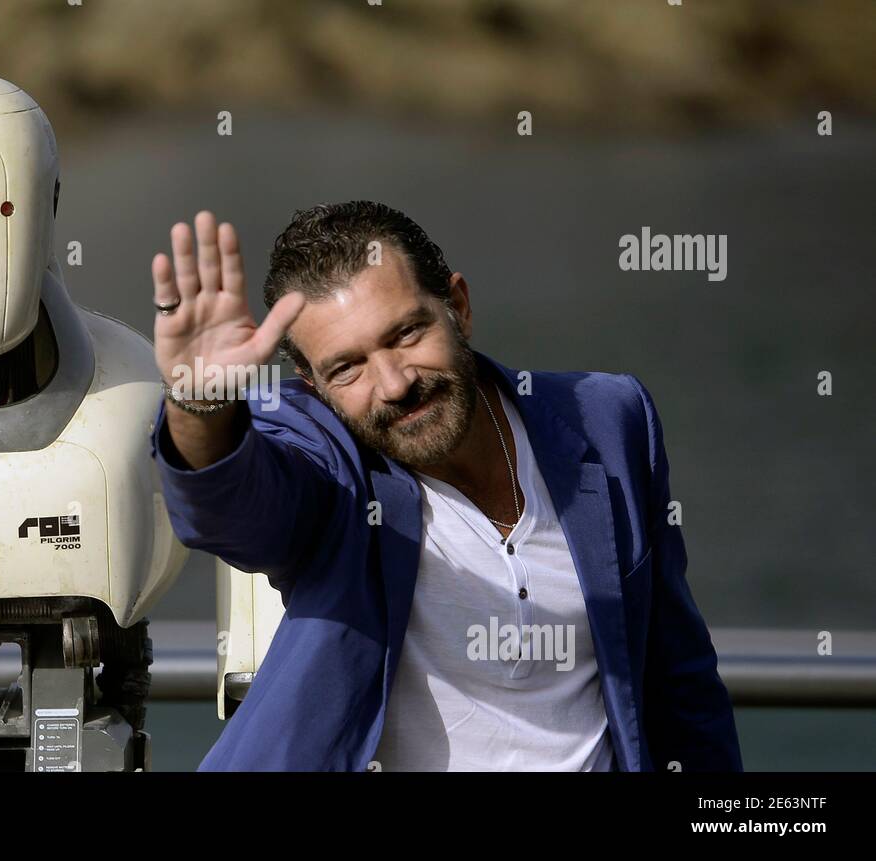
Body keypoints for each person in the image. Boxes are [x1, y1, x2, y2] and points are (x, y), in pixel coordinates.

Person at [147, 201, 742, 771]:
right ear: (312, 384)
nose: (394, 384)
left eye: (406, 334)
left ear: (458, 305)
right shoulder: (328, 461)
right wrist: (201, 403)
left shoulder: (609, 419)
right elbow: (235, 510)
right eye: (346, 367)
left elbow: (677, 677)